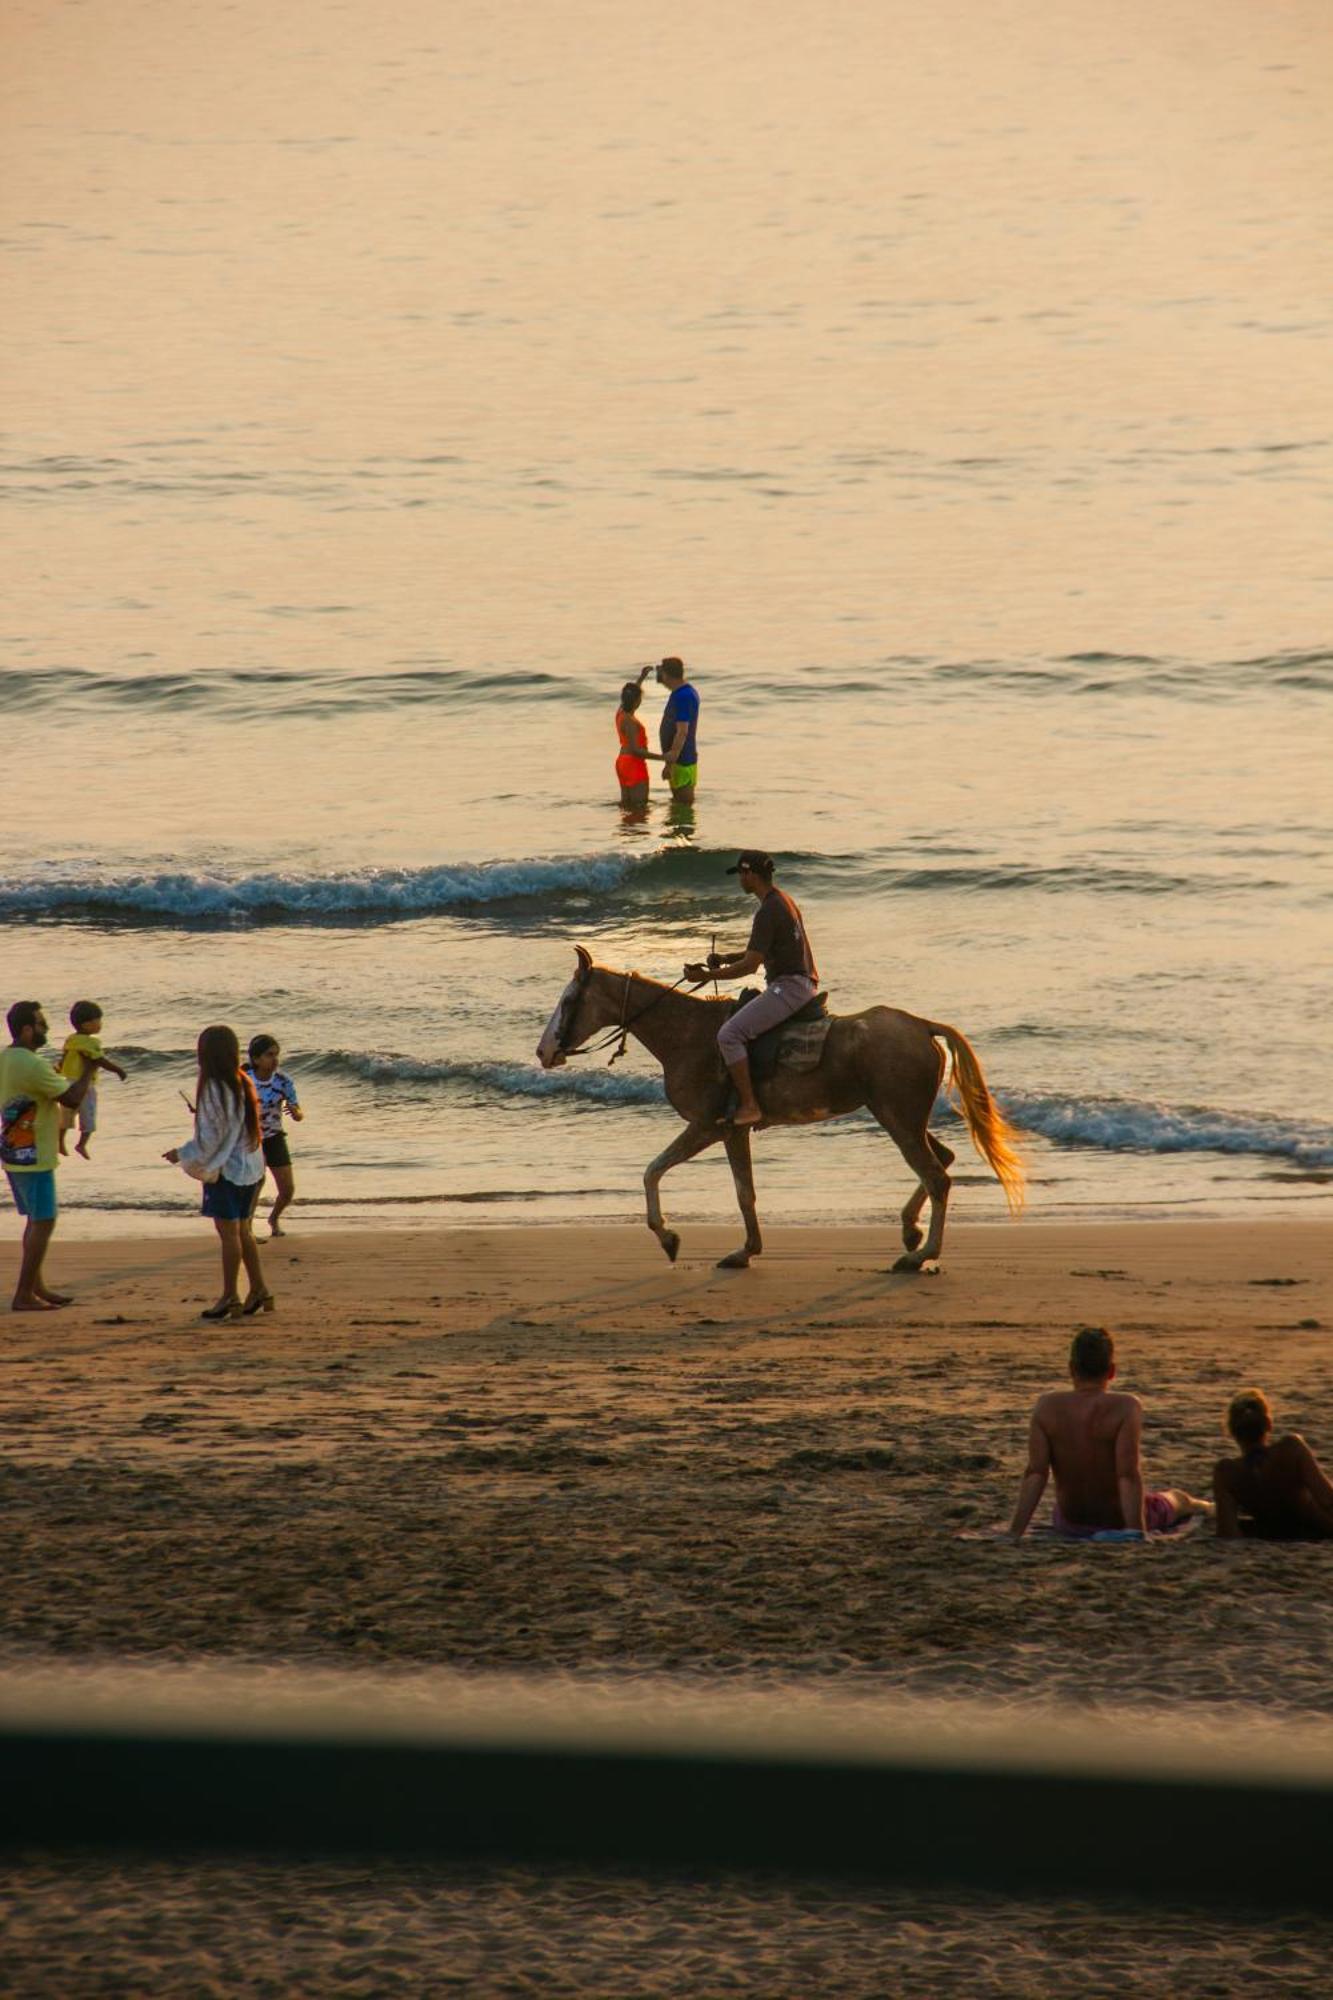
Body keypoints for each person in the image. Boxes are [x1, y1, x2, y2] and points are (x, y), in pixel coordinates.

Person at [1008, 1326, 1209, 1539]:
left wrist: (1015, 1532)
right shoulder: (1125, 1406)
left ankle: (1203, 1506)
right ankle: (1207, 1506)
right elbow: (1128, 1474)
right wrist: (1136, 1531)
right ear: (1112, 1371)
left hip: (1071, 1521)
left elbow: (1036, 1473)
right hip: (1118, 1519)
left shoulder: (1046, 1406)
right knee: (1178, 1498)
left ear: (1071, 1369)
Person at [684, 851, 818, 1127]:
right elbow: (757, 952)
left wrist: (708, 976)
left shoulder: (767, 910)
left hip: (789, 987)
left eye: (741, 875)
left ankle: (750, 1105)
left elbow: (750, 966)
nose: (740, 881)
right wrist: (724, 958)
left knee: (729, 1034)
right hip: (801, 983)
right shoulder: (783, 900)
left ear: (750, 875)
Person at [164, 1025, 272, 1321]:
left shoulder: (214, 1086)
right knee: (244, 1231)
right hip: (250, 1167)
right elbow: (233, 1126)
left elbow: (211, 1140)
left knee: (229, 1235)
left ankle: (230, 1296)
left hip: (228, 1170)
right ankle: (259, 1289)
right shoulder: (242, 1081)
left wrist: (182, 1153)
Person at [1, 1000, 100, 1311]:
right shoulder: (32, 1064)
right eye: (42, 1025)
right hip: (35, 1154)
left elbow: (38, 1089)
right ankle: (23, 1293)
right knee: (44, 1220)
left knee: (34, 1220)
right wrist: (87, 1070)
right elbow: (70, 1097)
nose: (47, 1029)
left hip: (13, 1150)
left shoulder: (8, 1058)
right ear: (28, 1030)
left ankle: (35, 1285)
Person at [1213, 1389, 1333, 1540]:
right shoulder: (1291, 1448)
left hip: (1274, 1530)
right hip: (1316, 1525)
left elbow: (1227, 1532)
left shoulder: (1226, 1472)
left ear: (1231, 1431)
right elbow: (1327, 1497)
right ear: (1268, 1424)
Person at [243, 1033, 304, 1237]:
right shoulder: (243, 1079)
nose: (275, 1060)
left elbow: (298, 1111)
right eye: (270, 1055)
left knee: (287, 1189)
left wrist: (296, 1112)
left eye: (277, 1055)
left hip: (274, 1137)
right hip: (250, 1138)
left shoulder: (283, 1081)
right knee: (255, 1185)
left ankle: (274, 1218)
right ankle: (247, 1228)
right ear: (256, 1058)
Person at [57, 999, 128, 1159]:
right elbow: (99, 1060)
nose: (100, 1024)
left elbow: (65, 1056)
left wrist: (59, 1068)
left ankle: (60, 1141)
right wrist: (118, 1070)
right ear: (86, 1024)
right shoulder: (91, 1043)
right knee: (88, 1116)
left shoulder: (71, 1039)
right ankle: (81, 1144)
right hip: (85, 1085)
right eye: (98, 1020)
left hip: (68, 1082)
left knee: (66, 1116)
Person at [655, 656, 700, 807]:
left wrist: (670, 762)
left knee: (683, 805)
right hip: (680, 760)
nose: (659, 676)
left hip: (682, 761)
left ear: (666, 675)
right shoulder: (682, 693)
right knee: (679, 806)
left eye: (661, 672)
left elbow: (682, 731)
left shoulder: (683, 696)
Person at [614, 679, 659, 812]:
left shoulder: (620, 715)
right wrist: (663, 757)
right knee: (640, 807)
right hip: (634, 764)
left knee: (627, 805)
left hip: (622, 763)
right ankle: (637, 832)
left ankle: (627, 832)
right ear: (637, 701)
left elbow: (630, 696)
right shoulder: (631, 722)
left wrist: (641, 679)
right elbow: (636, 750)